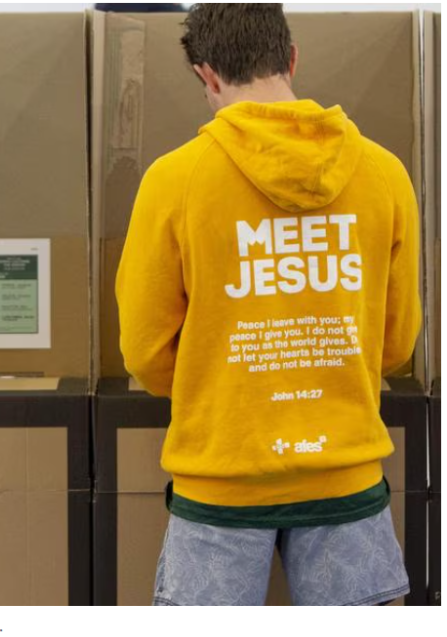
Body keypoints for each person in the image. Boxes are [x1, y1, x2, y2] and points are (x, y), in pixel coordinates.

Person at [115, 3, 422, 606]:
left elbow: (145, 351)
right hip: (345, 474)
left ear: (206, 74)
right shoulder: (383, 174)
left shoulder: (174, 181)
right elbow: (395, 343)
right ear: (291, 58)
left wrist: (221, 382)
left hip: (221, 477)